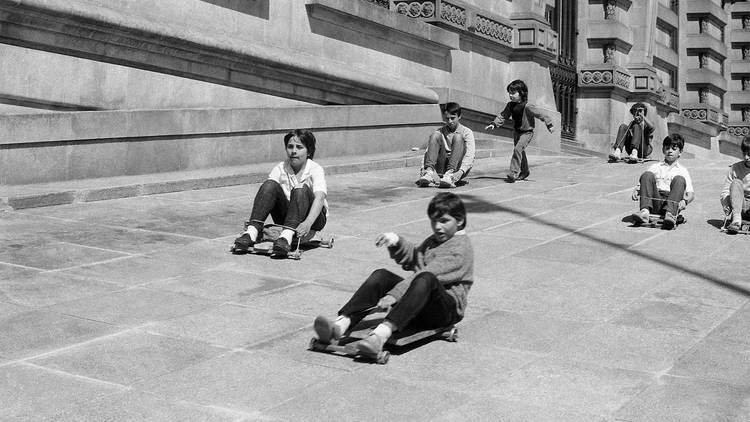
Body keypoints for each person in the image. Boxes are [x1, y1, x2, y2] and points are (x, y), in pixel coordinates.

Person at [313, 192, 474, 356]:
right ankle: (341, 325)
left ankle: (380, 336)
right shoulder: (437, 240)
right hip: (421, 304)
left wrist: (395, 295)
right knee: (381, 275)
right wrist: (396, 242)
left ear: (459, 220)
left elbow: (428, 272)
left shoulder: (460, 250)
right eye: (434, 221)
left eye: (444, 221)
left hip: (444, 313)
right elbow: (416, 258)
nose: (438, 227)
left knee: (425, 278)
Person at [232, 129, 328, 258]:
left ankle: (286, 237)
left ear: (309, 151)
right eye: (290, 147)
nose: (294, 151)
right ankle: (252, 232)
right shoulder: (280, 168)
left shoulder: (315, 169)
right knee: (269, 184)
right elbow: (267, 193)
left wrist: (308, 223)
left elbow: (320, 198)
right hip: (288, 216)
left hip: (314, 218)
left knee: (300, 189)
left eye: (299, 147)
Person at [485, 79, 555, 183]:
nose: (510, 95)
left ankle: (513, 173)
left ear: (521, 93)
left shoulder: (527, 106)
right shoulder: (510, 105)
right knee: (520, 151)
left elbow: (540, 114)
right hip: (517, 132)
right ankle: (525, 171)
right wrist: (494, 124)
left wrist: (549, 124)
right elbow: (503, 115)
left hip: (527, 132)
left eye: (513, 93)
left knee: (517, 149)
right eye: (509, 93)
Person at [631, 134, 694, 230]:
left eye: (674, 149)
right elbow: (644, 182)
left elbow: (691, 194)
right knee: (647, 174)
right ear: (663, 150)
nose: (670, 151)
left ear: (680, 152)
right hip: (655, 201)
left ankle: (670, 215)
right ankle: (644, 212)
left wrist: (685, 201)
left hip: (672, 201)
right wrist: (637, 190)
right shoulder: (656, 166)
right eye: (667, 148)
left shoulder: (683, 170)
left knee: (679, 179)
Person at [416, 102, 476, 188]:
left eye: (452, 118)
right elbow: (428, 152)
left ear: (459, 116)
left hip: (457, 169)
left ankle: (450, 175)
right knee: (435, 135)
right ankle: (428, 173)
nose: (450, 121)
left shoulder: (467, 132)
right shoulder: (440, 131)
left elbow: (470, 155)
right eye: (447, 118)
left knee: (458, 136)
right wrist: (423, 168)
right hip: (441, 166)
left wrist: (461, 172)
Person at [719, 136, 750, 233]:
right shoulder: (735, 168)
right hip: (739, 206)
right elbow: (725, 191)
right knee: (736, 182)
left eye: (749, 154)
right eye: (744, 154)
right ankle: (736, 221)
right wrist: (726, 204)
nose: (746, 157)